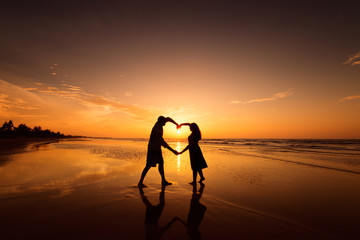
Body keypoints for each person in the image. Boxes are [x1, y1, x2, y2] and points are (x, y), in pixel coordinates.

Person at [138, 116, 179, 187]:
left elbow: (169, 119)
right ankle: (140, 182)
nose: (165, 123)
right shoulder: (157, 130)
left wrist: (176, 124)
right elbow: (162, 142)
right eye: (164, 122)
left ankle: (163, 181)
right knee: (148, 166)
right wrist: (172, 150)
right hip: (152, 149)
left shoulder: (161, 122)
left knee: (161, 163)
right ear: (161, 122)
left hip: (157, 148)